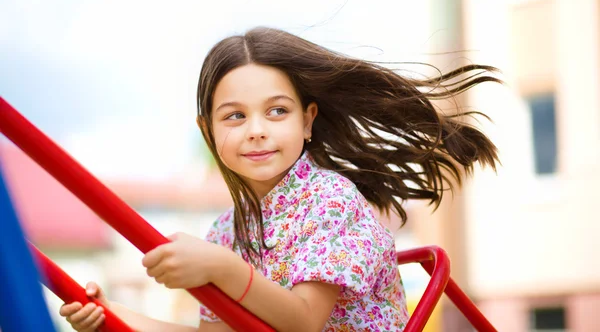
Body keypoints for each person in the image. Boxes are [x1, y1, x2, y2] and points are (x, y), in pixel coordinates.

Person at [59, 26, 500, 331]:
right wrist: (112, 316)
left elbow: (304, 321)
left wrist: (223, 268)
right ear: (208, 132)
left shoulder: (330, 200)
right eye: (235, 116)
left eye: (277, 111)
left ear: (307, 121)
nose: (256, 129)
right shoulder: (225, 231)